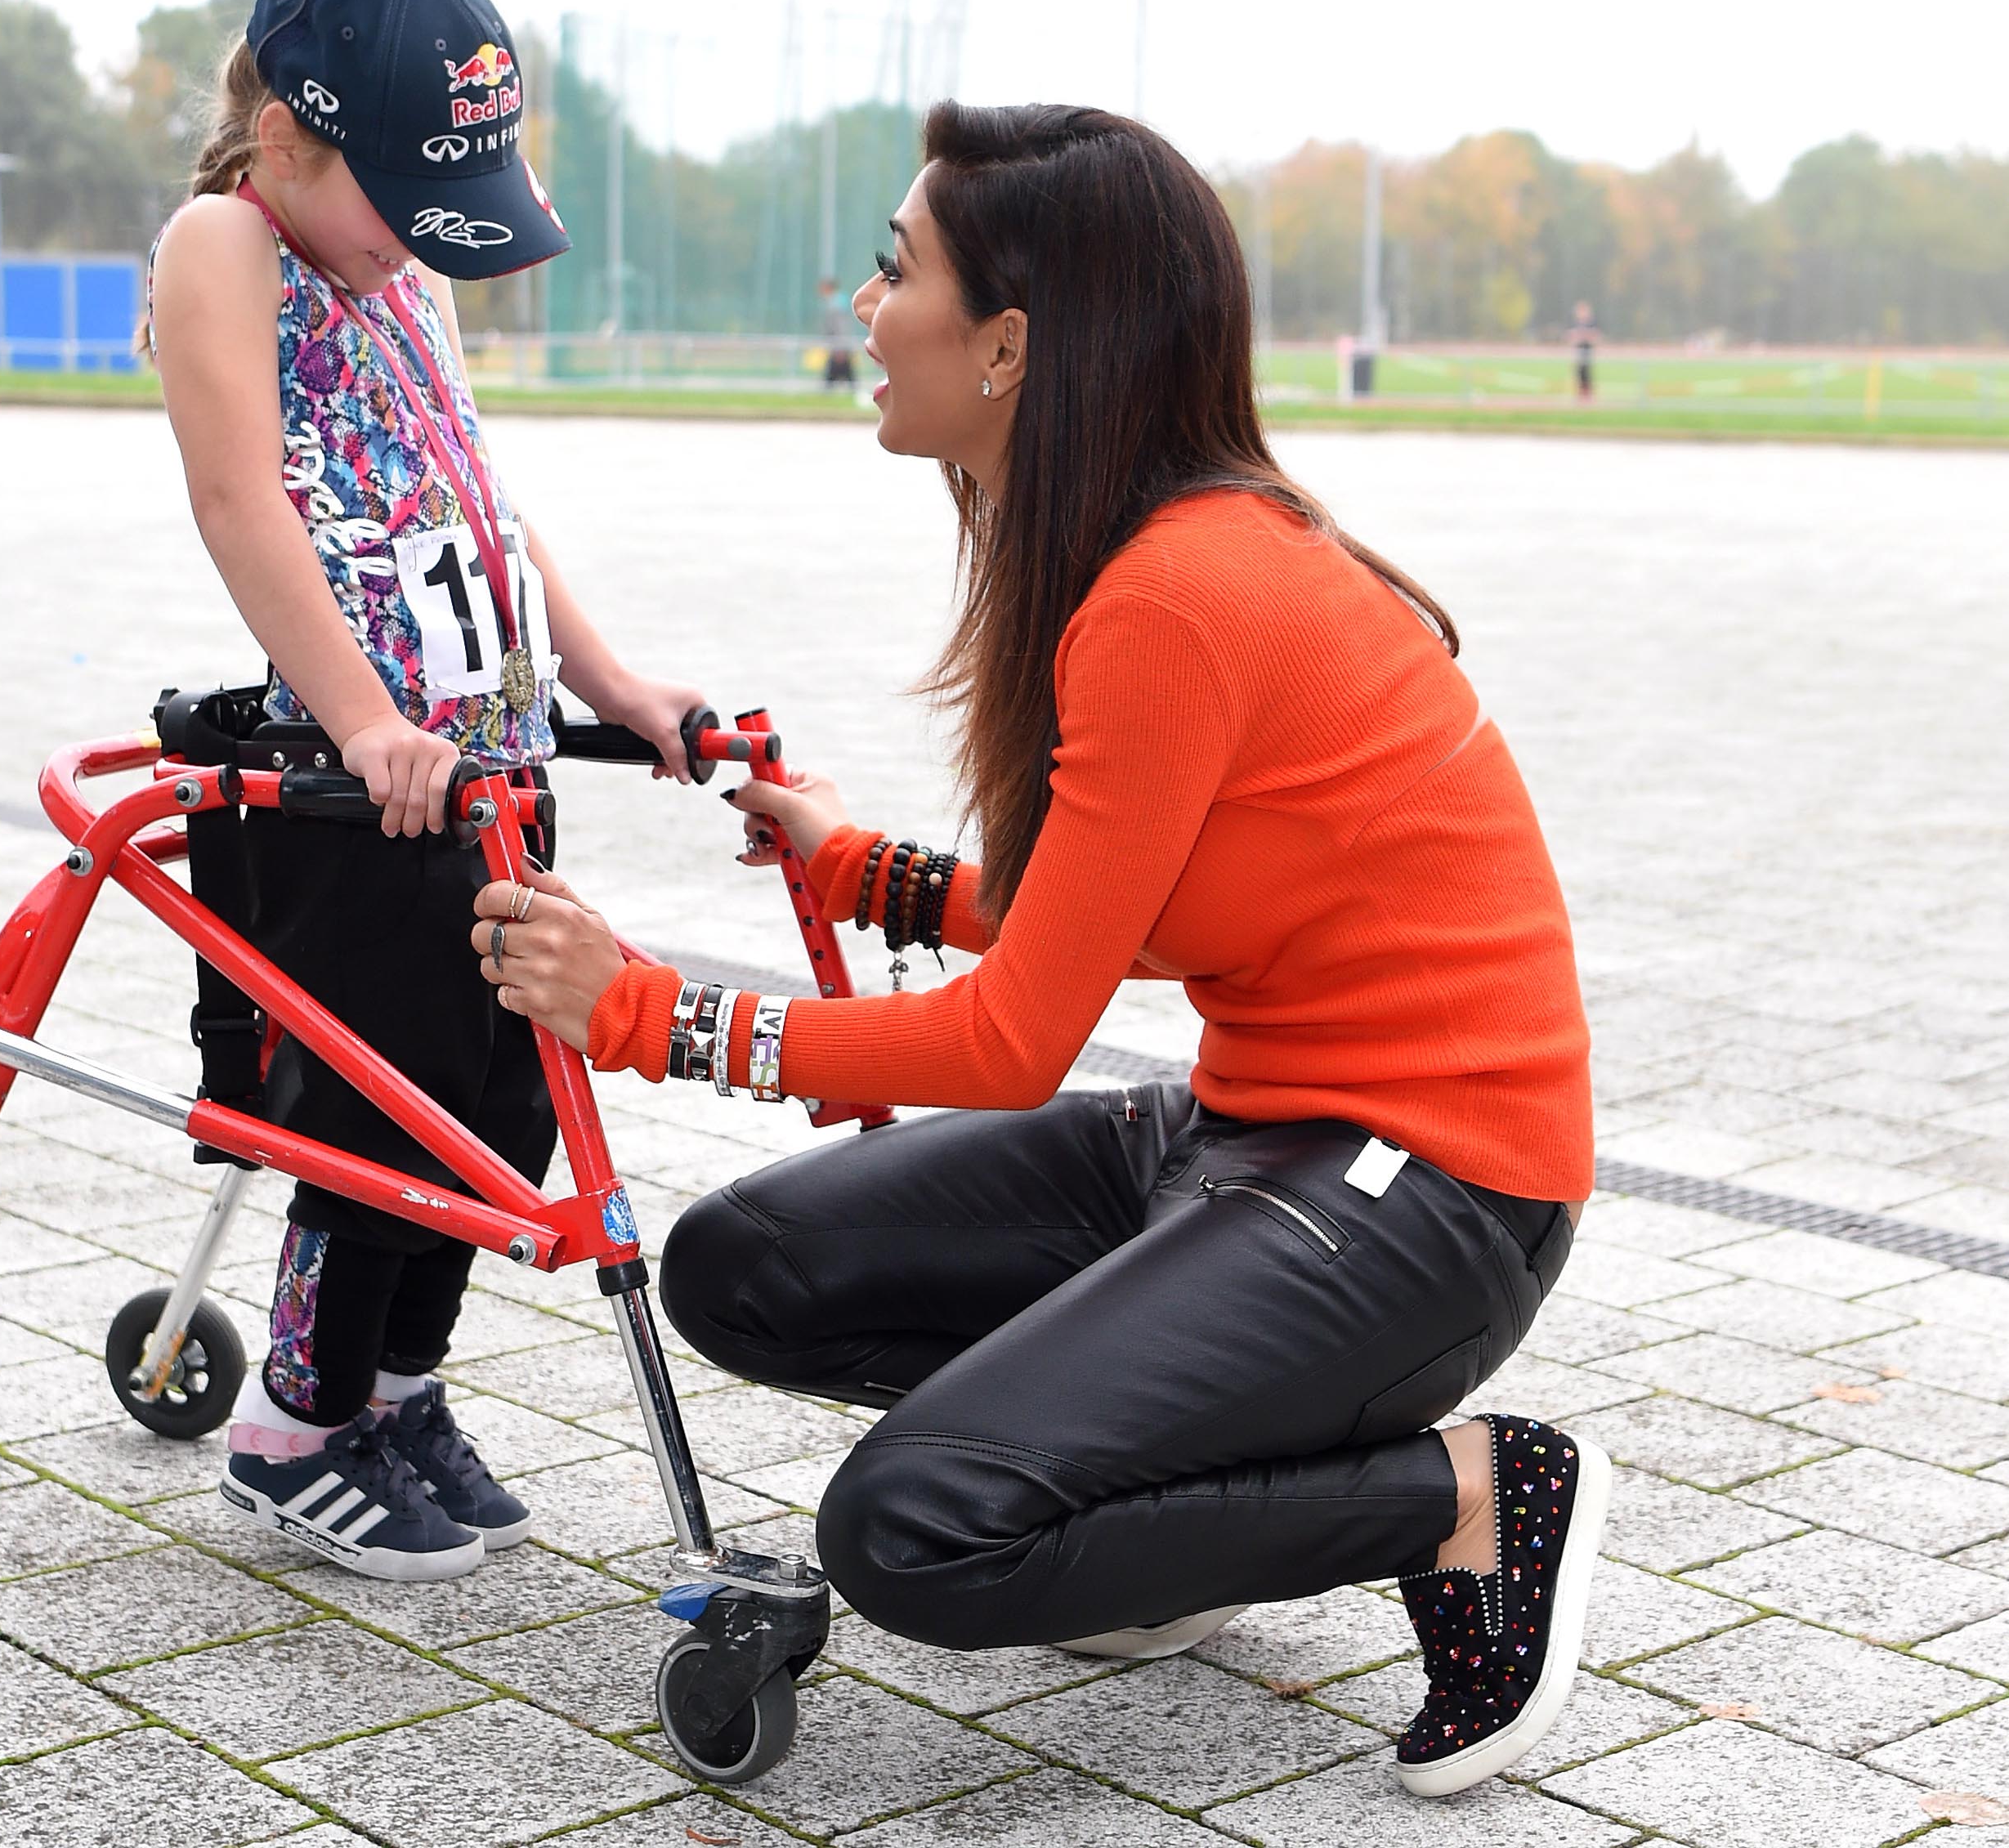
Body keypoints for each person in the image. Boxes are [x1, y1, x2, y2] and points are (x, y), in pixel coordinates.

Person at [472, 102, 1610, 1798]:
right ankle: (1167, 1519)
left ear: (1009, 342)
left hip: (1430, 1197)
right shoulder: (1139, 563)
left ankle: (1467, 1501)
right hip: (1249, 1140)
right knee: (747, 1268)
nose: (863, 311)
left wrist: (646, 1012)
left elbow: (1013, 1040)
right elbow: (1105, 900)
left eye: (893, 270)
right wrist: (864, 867)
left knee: (913, 1531)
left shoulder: (1177, 591)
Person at [145, 0, 706, 1582]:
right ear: (286, 145)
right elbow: (241, 496)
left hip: (491, 761)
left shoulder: (404, 271)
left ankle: (396, 1392)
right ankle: (296, 1425)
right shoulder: (225, 246)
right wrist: (365, 718)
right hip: (367, 774)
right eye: (395, 196)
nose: (414, 238)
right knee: (389, 1108)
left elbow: (483, 501)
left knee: (508, 1088)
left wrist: (610, 681)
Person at [819, 274, 857, 389]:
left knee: (839, 369)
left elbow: (841, 327)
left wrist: (840, 346)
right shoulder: (836, 302)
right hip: (838, 344)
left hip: (839, 344)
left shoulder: (836, 304)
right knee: (846, 371)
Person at [1570, 301, 1600, 400]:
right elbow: (1573, 337)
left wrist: (1585, 335)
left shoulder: (1591, 323)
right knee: (1579, 372)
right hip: (1579, 351)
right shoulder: (1576, 323)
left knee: (1587, 372)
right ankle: (1580, 395)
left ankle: (1588, 396)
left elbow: (1594, 337)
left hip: (1587, 350)